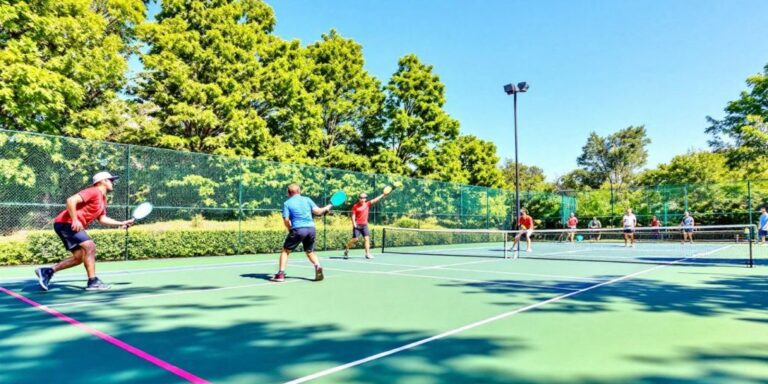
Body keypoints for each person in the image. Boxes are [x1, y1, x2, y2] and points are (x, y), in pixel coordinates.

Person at [34, 172, 134, 291]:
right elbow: (71, 200)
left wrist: (122, 223)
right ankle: (93, 281)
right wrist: (75, 220)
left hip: (66, 225)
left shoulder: (103, 198)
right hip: (67, 223)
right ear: (102, 181)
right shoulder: (94, 191)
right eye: (110, 180)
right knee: (90, 246)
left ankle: (47, 271)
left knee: (79, 257)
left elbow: (102, 219)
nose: (113, 183)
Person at [272, 183, 332, 282]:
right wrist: (327, 207)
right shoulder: (307, 199)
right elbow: (318, 212)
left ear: (288, 192)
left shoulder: (287, 203)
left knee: (285, 251)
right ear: (299, 191)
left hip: (298, 229)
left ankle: (280, 275)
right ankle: (318, 266)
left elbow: (286, 220)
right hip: (311, 229)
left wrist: (290, 228)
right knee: (310, 251)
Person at [344, 192, 386, 259]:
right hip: (357, 225)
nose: (362, 199)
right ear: (359, 198)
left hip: (364, 225)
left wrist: (383, 195)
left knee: (367, 239)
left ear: (365, 198)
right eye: (361, 198)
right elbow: (353, 215)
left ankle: (367, 254)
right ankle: (347, 248)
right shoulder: (355, 206)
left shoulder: (367, 204)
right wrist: (354, 223)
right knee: (355, 239)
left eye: (364, 198)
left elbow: (375, 200)